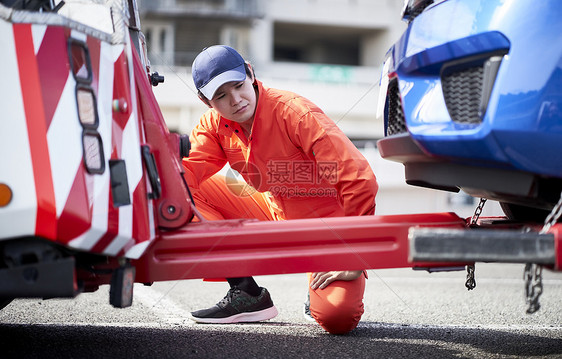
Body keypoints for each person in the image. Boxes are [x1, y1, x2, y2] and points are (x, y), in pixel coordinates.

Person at [182, 45, 378, 334]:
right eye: (221, 96)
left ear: (250, 72)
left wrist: (355, 253)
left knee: (338, 318)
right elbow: (187, 172)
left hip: (329, 226)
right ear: (205, 100)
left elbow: (357, 177)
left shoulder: (295, 113)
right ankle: (246, 293)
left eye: (238, 85)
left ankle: (319, 290)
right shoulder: (213, 124)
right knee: (179, 193)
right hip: (273, 212)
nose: (235, 100)